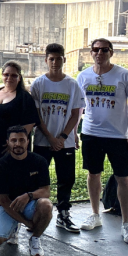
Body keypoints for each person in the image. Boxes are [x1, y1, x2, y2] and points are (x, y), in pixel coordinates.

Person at [76, 38, 128, 244]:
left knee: (124, 178)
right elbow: (79, 105)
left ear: (111, 52)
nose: (99, 53)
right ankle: (95, 215)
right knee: (93, 174)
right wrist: (74, 132)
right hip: (91, 134)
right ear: (91, 53)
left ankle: (126, 223)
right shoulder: (84, 76)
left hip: (118, 136)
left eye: (104, 50)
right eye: (95, 50)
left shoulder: (124, 75)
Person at [30, 44, 85, 232]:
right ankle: (36, 215)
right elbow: (36, 115)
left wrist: (62, 137)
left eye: (58, 58)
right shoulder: (38, 83)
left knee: (66, 179)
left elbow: (76, 113)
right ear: (46, 60)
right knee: (37, 180)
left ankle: (63, 214)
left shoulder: (72, 84)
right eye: (51, 59)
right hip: (42, 141)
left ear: (64, 60)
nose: (54, 62)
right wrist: (50, 138)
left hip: (65, 142)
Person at [0, 127, 54, 256]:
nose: (18, 144)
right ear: (8, 142)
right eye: (14, 140)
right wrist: (26, 223)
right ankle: (14, 227)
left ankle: (35, 239)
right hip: (9, 206)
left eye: (21, 140)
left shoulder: (39, 161)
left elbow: (46, 191)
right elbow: (3, 200)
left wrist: (29, 196)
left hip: (31, 204)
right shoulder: (1, 165)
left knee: (46, 205)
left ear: (28, 142)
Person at [0, 61, 39, 158]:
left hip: (14, 147)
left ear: (19, 78)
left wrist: (15, 143)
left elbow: (30, 123)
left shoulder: (25, 97)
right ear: (2, 76)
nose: (9, 78)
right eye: (6, 75)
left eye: (13, 75)